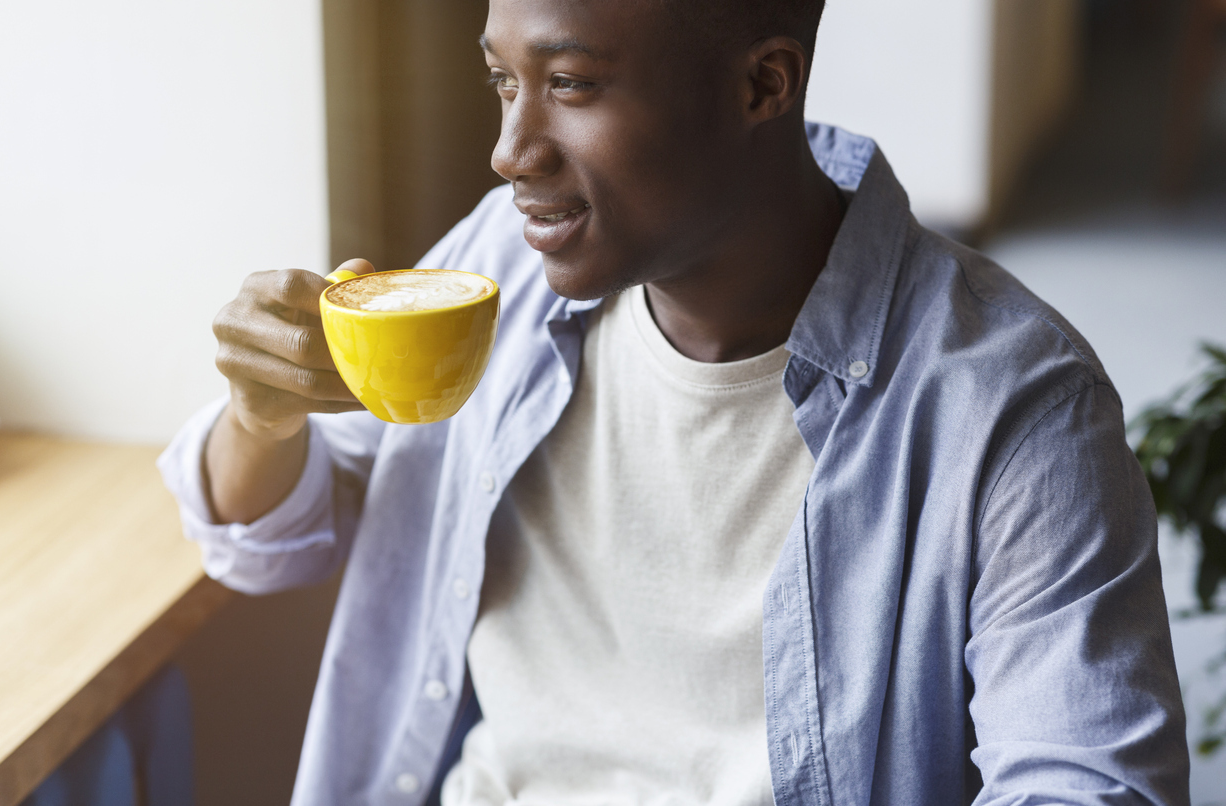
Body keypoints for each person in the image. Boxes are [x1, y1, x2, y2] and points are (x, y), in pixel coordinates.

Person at [159, 0, 1191, 803]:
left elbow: (1089, 779)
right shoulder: (495, 268)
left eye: (568, 82)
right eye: (500, 81)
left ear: (761, 84)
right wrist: (264, 412)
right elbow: (275, 536)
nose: (510, 150)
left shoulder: (1014, 406)